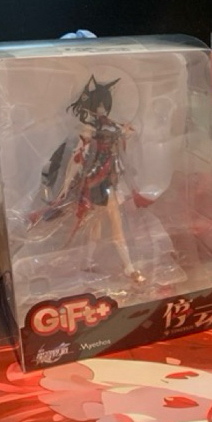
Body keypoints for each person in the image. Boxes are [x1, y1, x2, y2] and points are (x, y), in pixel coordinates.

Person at [32, 75, 146, 282]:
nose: (102, 109)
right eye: (99, 105)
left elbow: (125, 135)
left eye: (104, 105)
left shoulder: (110, 125)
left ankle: (89, 262)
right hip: (97, 181)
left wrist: (125, 132)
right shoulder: (89, 129)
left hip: (109, 178)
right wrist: (67, 186)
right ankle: (128, 267)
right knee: (113, 222)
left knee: (96, 224)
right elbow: (78, 157)